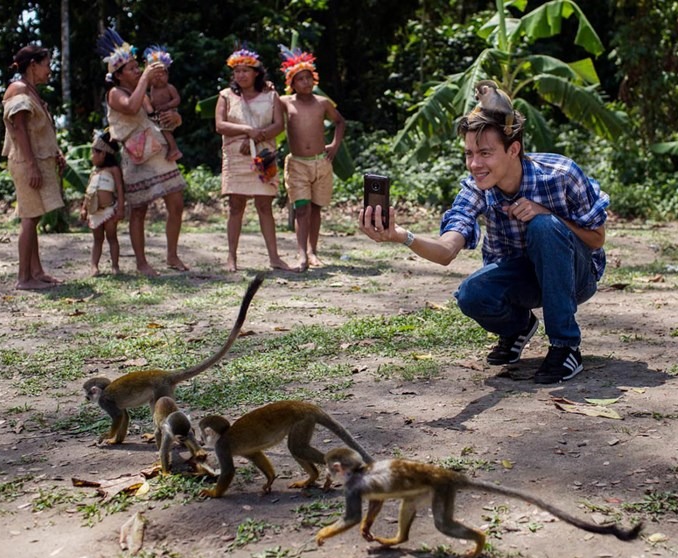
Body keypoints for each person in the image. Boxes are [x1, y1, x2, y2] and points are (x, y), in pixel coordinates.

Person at [359, 87, 609, 385]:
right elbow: (446, 250)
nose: (475, 164)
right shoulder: (477, 187)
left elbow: (596, 239)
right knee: (471, 294)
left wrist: (546, 214)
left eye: (485, 153)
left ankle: (565, 346)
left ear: (513, 149)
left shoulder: (560, 174)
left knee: (544, 227)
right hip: (524, 280)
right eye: (469, 154)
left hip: (576, 277)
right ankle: (517, 328)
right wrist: (401, 236)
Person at [97, 28, 188, 276]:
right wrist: (146, 79)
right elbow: (131, 106)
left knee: (177, 201)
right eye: (133, 69)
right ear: (118, 75)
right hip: (136, 157)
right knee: (139, 210)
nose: (138, 71)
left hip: (157, 151)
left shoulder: (140, 90)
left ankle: (171, 255)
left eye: (139, 67)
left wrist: (174, 118)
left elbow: (154, 117)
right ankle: (141, 262)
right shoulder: (115, 93)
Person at [215, 46, 291, 272]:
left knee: (264, 205)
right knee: (236, 206)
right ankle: (231, 258)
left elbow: (279, 125)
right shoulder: (226, 96)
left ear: (256, 72)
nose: (240, 75)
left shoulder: (271, 95)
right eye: (237, 71)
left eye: (245, 71)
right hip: (236, 155)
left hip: (264, 154)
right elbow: (220, 125)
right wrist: (248, 131)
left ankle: (275, 258)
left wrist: (259, 137)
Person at [1, 44, 67, 290]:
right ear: (33, 65)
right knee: (29, 217)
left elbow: (36, 130)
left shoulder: (31, 91)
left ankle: (36, 271)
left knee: (35, 214)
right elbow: (18, 129)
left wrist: (55, 153)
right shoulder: (18, 90)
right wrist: (31, 166)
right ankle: (24, 278)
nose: (49, 70)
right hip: (26, 162)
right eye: (47, 64)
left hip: (37, 159)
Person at [278, 46, 345, 271]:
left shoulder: (323, 103)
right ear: (292, 83)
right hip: (297, 163)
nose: (305, 82)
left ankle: (313, 251)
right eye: (300, 79)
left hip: (320, 162)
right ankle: (301, 253)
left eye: (308, 78)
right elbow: (268, 106)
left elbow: (340, 121)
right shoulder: (285, 102)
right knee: (302, 208)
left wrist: (335, 145)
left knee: (316, 208)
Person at [80, 131, 126, 276]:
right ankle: (94, 266)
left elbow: (119, 188)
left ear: (103, 154)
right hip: (94, 212)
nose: (91, 156)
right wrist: (84, 209)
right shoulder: (94, 172)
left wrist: (120, 207)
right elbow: (88, 193)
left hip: (109, 210)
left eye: (93, 153)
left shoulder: (113, 170)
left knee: (112, 238)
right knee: (97, 239)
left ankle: (115, 266)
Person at [143, 46, 183, 162]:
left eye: (162, 75)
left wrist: (167, 106)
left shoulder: (169, 87)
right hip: (158, 114)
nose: (158, 78)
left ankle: (174, 149)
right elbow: (151, 102)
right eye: (155, 76)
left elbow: (177, 99)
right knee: (161, 130)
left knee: (164, 130)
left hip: (169, 113)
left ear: (167, 75)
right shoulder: (151, 88)